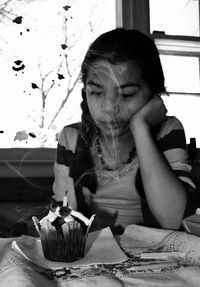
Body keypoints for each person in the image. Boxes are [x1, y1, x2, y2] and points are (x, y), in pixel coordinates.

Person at [52, 28, 197, 234]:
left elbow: (173, 219)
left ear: (153, 95)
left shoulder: (168, 131)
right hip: (92, 258)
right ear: (85, 92)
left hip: (156, 259)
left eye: (127, 94)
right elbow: (61, 215)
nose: (110, 108)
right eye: (96, 92)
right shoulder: (72, 138)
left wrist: (140, 128)